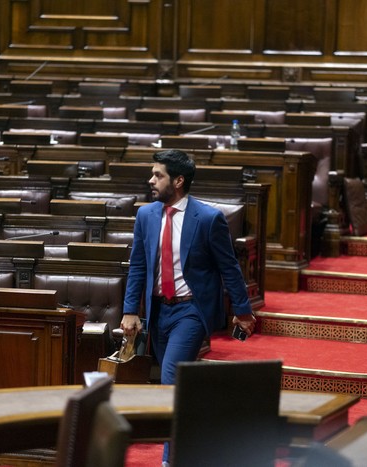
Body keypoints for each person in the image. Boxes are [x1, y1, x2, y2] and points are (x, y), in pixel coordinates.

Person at [120, 149, 256, 466]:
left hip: (191, 310)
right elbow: (138, 266)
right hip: (158, 312)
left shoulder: (208, 218)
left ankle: (171, 460)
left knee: (170, 380)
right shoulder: (146, 215)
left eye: (158, 175)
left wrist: (243, 311)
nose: (150, 180)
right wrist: (130, 310)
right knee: (180, 383)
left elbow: (229, 268)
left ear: (178, 181)